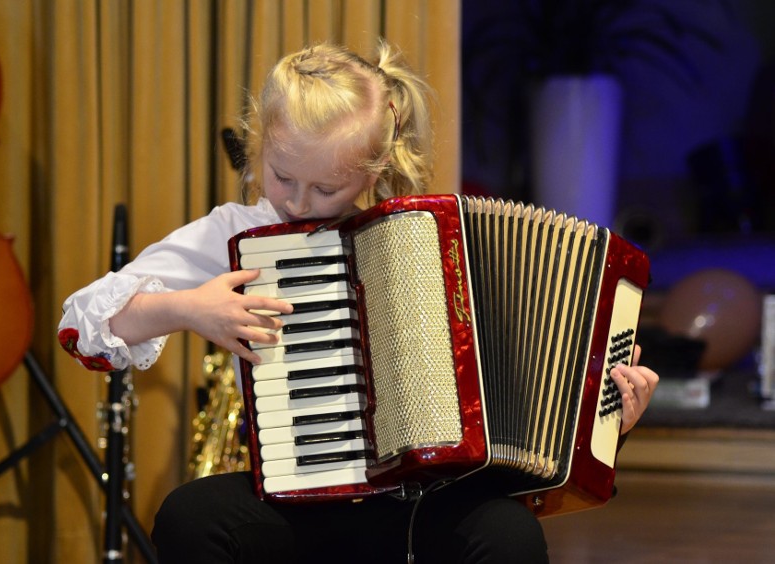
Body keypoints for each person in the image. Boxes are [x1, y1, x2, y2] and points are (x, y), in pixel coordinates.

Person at [58, 39, 659, 564]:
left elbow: (538, 393)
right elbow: (83, 326)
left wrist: (611, 413)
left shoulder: (433, 243)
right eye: (281, 175)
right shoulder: (238, 232)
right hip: (305, 503)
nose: (295, 202)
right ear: (261, 145)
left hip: (430, 502)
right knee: (192, 517)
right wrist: (188, 308)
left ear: (373, 170)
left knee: (510, 537)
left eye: (326, 188)